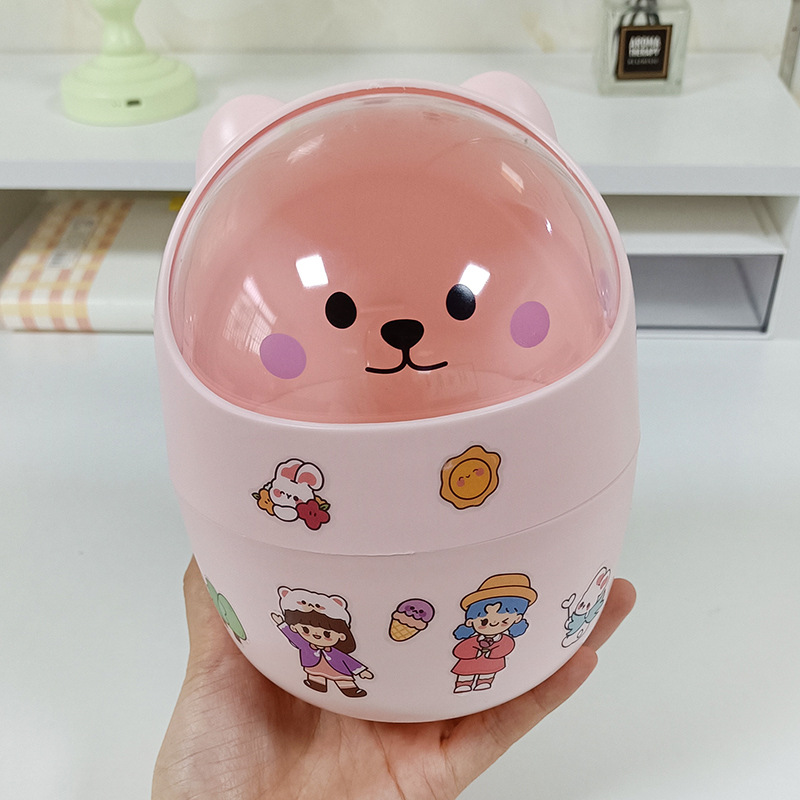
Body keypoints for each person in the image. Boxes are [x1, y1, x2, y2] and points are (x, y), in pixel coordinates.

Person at [152, 558, 635, 800]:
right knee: (330, 674)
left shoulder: (505, 643)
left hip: (483, 670)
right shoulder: (305, 647)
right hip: (315, 682)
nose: (314, 634)